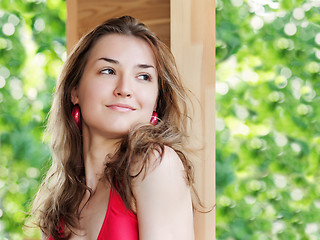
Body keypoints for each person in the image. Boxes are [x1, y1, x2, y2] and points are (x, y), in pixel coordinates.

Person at [31, 16, 198, 240]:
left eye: (143, 76)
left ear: (156, 101)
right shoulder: (59, 201)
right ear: (75, 90)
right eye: (108, 71)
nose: (125, 89)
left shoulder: (154, 165)